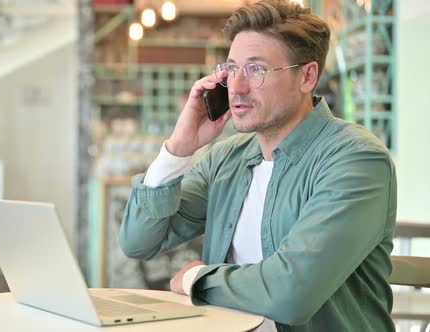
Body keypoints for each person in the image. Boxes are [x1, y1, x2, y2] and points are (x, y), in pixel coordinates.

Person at [118, 0, 397, 331]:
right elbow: (139, 242)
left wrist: (197, 278)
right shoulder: (226, 160)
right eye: (232, 68)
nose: (236, 86)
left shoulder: (356, 160)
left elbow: (291, 293)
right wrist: (178, 148)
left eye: (256, 69)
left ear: (307, 76)